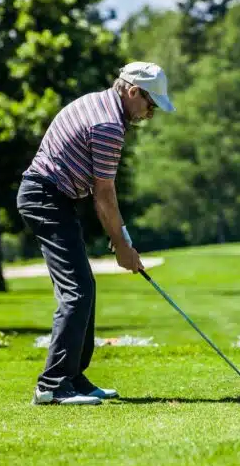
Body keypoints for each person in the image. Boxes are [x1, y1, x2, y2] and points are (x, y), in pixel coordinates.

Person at [16, 61, 176, 406]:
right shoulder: (108, 125)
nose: (151, 114)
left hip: (51, 197)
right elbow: (104, 194)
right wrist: (122, 246)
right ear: (133, 92)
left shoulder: (98, 103)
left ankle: (72, 375)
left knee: (82, 287)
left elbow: (99, 194)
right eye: (150, 105)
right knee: (77, 291)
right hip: (46, 197)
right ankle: (53, 385)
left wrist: (122, 241)